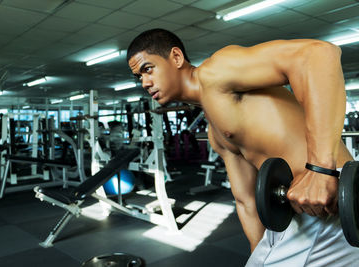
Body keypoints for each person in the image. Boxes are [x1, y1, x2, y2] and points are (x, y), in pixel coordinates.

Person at [126, 29, 359, 266]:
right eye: (139, 77)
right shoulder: (216, 132)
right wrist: (258, 254)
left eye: (148, 69)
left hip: (330, 199)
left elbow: (320, 54)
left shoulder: (216, 71)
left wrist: (320, 170)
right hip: (296, 211)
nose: (145, 83)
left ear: (176, 57)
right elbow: (246, 200)